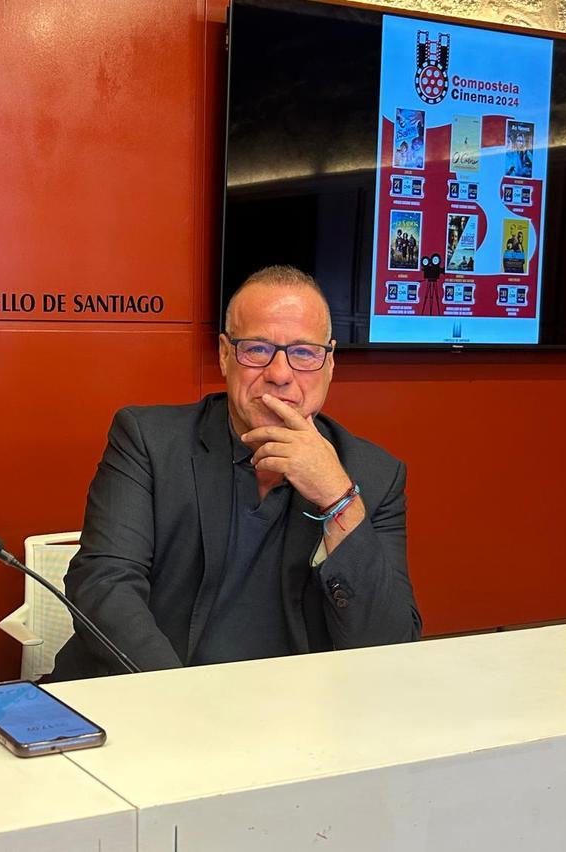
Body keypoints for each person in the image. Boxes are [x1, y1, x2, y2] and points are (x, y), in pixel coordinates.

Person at [51, 265, 420, 679]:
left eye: (304, 353)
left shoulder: (374, 475)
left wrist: (337, 499)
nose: (279, 375)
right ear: (225, 355)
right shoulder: (149, 440)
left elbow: (390, 644)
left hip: (288, 706)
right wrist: (180, 698)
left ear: (329, 363)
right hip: (149, 690)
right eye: (257, 349)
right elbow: (104, 586)